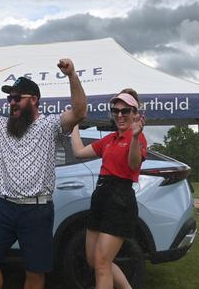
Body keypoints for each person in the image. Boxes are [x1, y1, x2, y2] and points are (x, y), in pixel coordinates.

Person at [0, 59, 87, 289]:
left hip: (37, 210)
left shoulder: (50, 125)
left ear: (34, 100)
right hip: (5, 207)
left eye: (17, 98)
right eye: (9, 98)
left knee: (34, 272)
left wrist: (72, 75)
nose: (11, 102)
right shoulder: (0, 126)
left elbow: (79, 112)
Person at [70, 88, 146, 289]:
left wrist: (136, 137)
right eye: (116, 111)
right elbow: (78, 152)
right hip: (101, 196)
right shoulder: (110, 139)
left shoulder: (136, 137)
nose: (120, 115)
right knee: (93, 260)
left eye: (126, 111)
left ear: (135, 113)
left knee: (102, 263)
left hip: (120, 199)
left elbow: (133, 164)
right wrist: (74, 125)